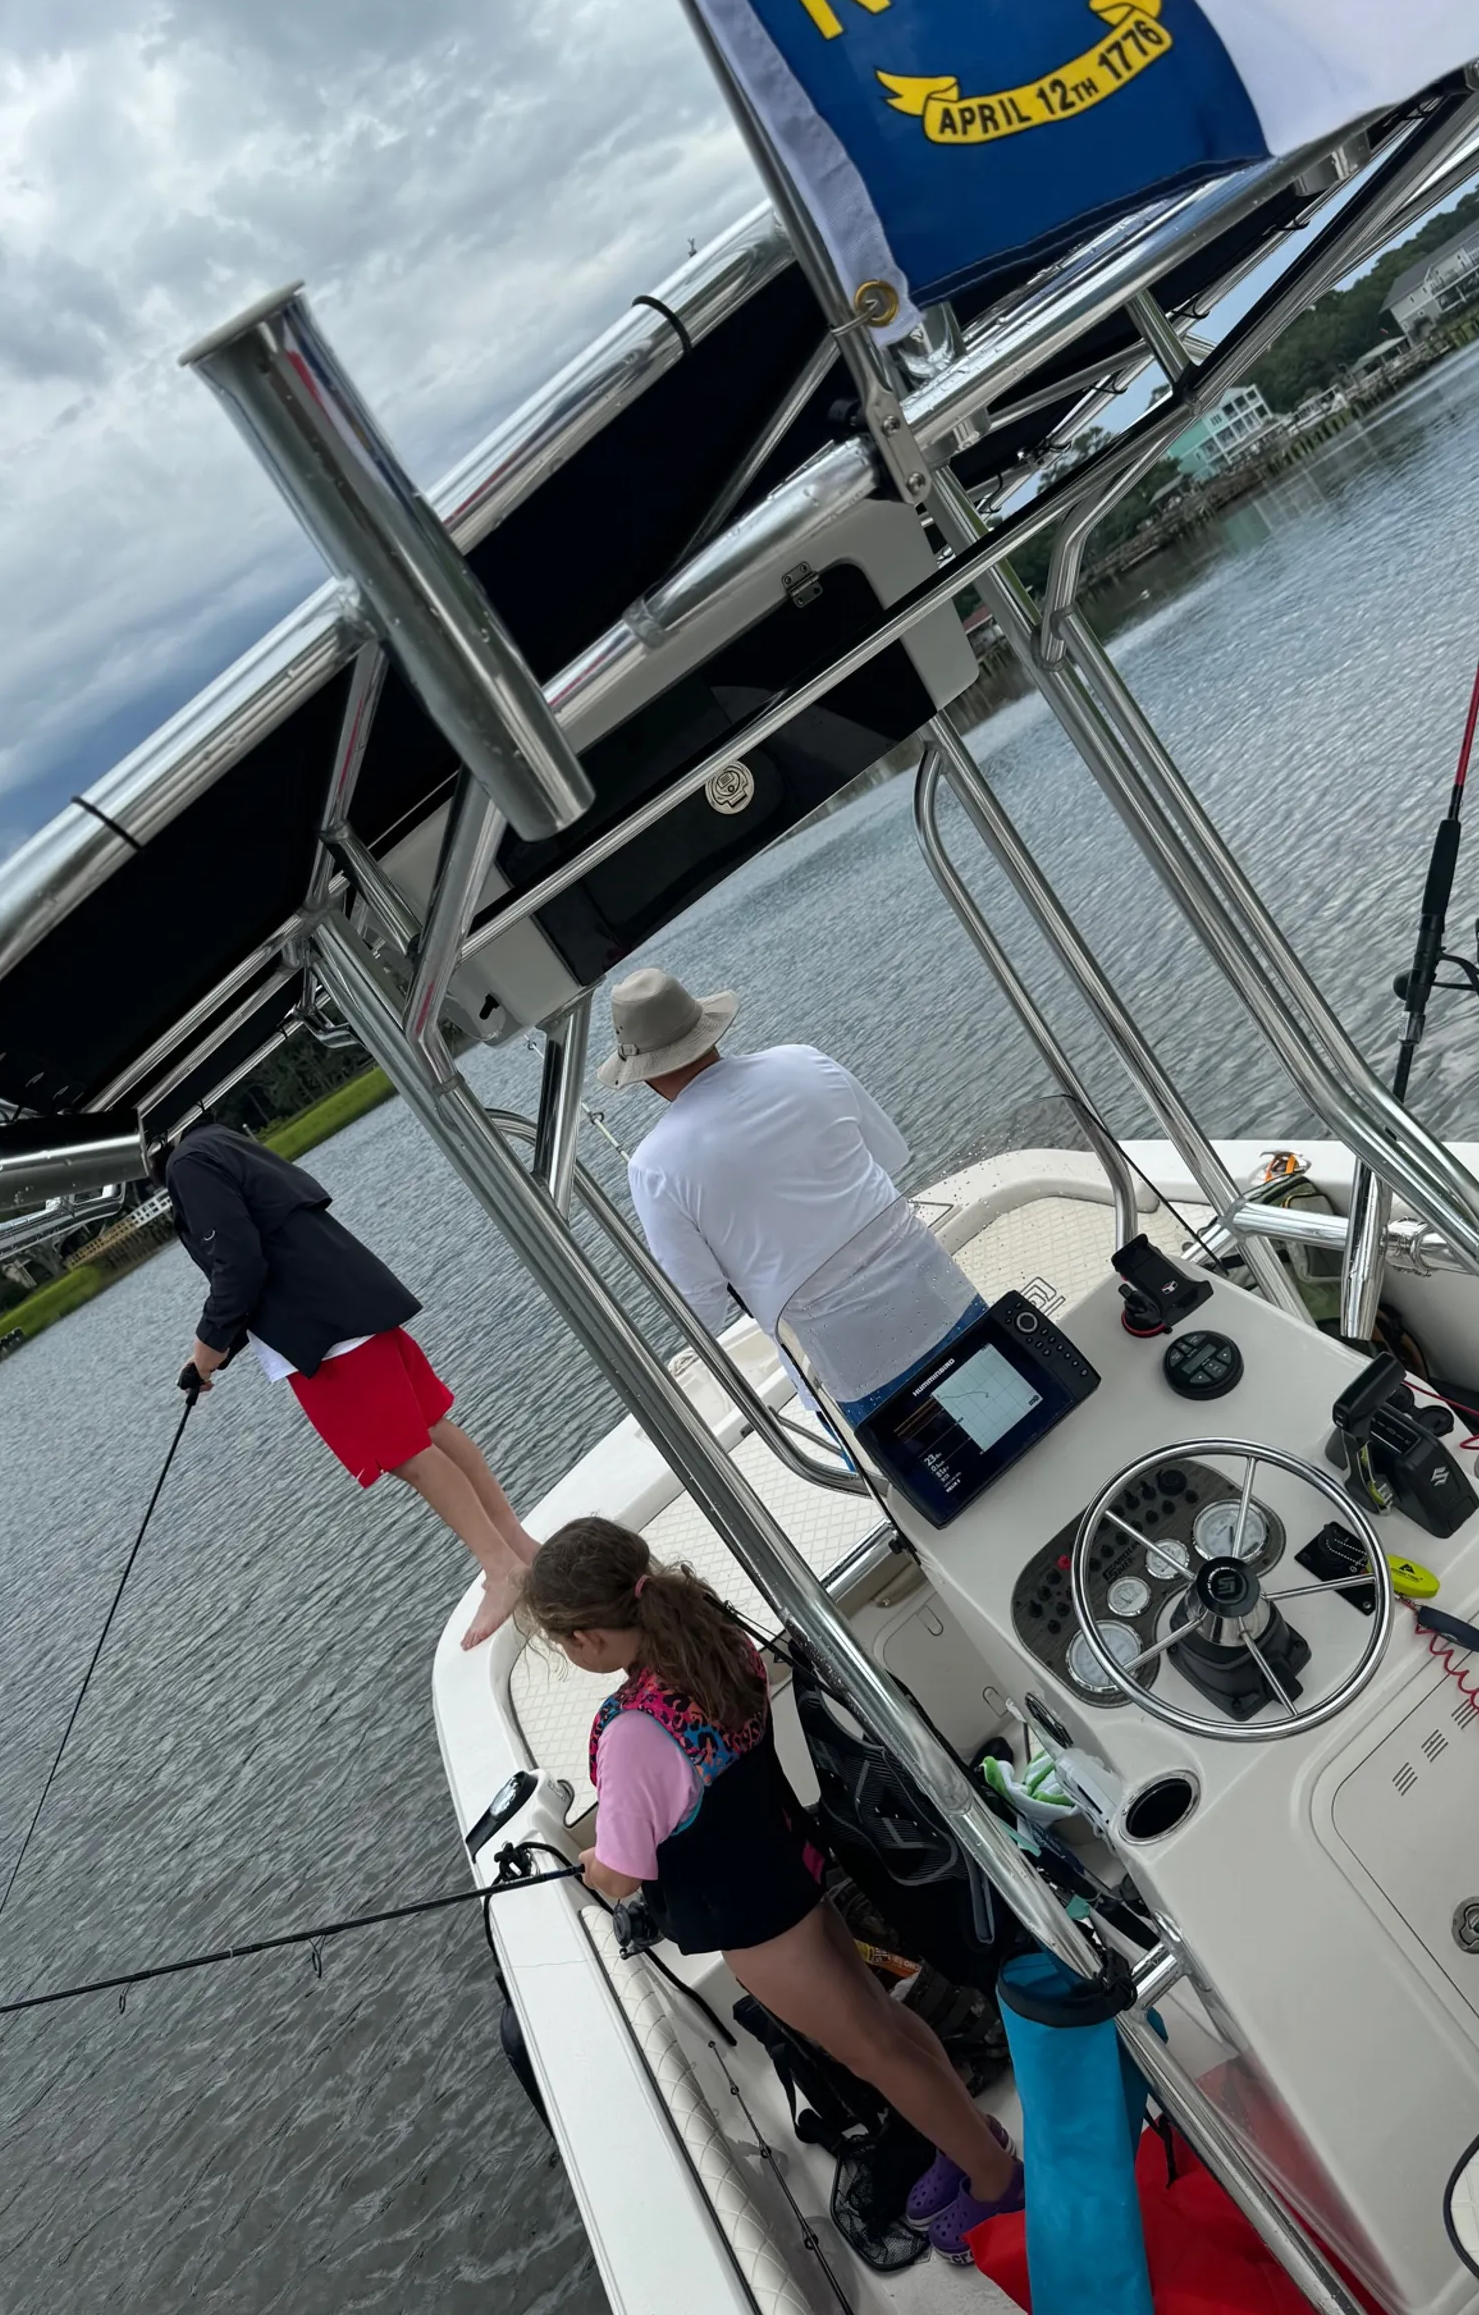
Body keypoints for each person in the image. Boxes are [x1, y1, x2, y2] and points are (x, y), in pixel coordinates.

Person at [522, 1516, 1023, 2265]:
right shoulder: (713, 1639)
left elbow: (622, 1871)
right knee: (883, 2025)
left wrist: (591, 1865)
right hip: (797, 1871)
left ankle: (996, 2180)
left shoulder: (631, 1734)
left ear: (588, 1638)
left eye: (564, 1642)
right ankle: (970, 2137)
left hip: (755, 1926)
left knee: (872, 2051)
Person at [155, 1119, 536, 1648]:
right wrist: (211, 1356)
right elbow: (262, 1247)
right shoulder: (215, 1142)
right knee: (430, 1428)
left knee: (405, 1451)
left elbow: (238, 1263)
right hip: (353, 1302)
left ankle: (502, 1567)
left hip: (323, 1332)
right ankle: (516, 1547)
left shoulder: (187, 1165)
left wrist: (207, 1349)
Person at [599, 968, 986, 1425]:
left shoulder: (652, 1167)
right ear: (705, 1030)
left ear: (644, 1075)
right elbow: (892, 1155)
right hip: (943, 1298)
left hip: (850, 1368)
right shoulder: (804, 1061)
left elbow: (701, 1305)